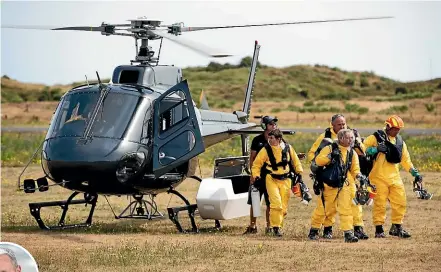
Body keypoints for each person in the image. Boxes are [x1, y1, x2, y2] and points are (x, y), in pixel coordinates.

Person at [308, 114, 369, 240]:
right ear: (340, 138)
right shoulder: (329, 148)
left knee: (346, 208)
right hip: (329, 183)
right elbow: (318, 161)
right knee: (324, 209)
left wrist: (359, 176)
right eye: (348, 138)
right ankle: (314, 230)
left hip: (345, 183)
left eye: (352, 138)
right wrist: (330, 157)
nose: (351, 140)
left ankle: (348, 234)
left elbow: (355, 168)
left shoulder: (352, 152)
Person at [364, 115, 421, 238]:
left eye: (399, 129)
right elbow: (361, 148)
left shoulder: (400, 141)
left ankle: (397, 227)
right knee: (380, 204)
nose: (397, 131)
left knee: (400, 202)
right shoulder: (376, 137)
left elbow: (405, 160)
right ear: (388, 126)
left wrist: (414, 172)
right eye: (395, 128)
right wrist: (374, 150)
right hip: (378, 177)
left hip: (394, 177)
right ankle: (379, 229)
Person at [251, 129, 303, 237]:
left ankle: (278, 224)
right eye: (269, 138)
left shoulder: (288, 148)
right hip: (271, 179)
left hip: (286, 180)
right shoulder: (265, 149)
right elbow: (257, 164)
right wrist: (256, 175)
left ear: (278, 139)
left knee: (283, 208)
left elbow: (295, 161)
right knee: (276, 204)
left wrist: (299, 173)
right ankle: (276, 228)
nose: (269, 140)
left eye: (272, 138)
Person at [243, 116, 278, 234]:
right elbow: (252, 158)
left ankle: (269, 227)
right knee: (255, 201)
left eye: (274, 124)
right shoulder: (257, 140)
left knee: (270, 203)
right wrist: (253, 174)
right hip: (258, 176)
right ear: (264, 126)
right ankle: (253, 226)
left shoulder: (277, 140)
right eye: (271, 124)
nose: (274, 126)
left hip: (271, 177)